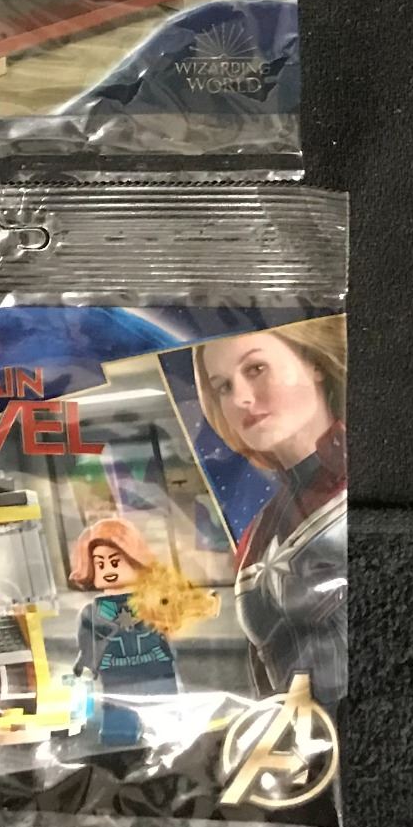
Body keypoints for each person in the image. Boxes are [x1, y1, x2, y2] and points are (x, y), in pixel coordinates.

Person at [193, 320, 348, 704]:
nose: (241, 398)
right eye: (223, 387)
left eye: (256, 369)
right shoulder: (257, 533)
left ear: (314, 362)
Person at [68, 518, 179, 746]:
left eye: (115, 562)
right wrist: (84, 665)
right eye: (100, 564)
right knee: (119, 731)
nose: (108, 570)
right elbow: (88, 645)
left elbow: (172, 621)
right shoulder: (92, 612)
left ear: (134, 559)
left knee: (167, 730)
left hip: (156, 670)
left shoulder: (151, 602)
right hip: (117, 675)